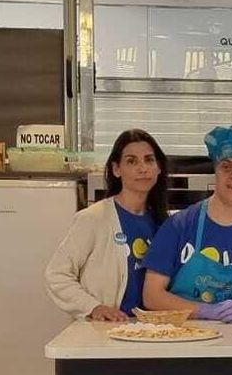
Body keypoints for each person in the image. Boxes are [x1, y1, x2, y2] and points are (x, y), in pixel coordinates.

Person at [141, 126, 232, 323]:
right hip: (181, 334)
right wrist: (203, 310)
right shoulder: (178, 227)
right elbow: (151, 295)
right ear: (215, 170)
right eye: (226, 167)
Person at [45, 129, 168, 322]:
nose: (143, 168)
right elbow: (57, 274)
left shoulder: (164, 223)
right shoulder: (93, 219)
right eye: (132, 161)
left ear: (159, 167)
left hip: (152, 329)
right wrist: (93, 307)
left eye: (149, 160)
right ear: (116, 169)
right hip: (106, 329)